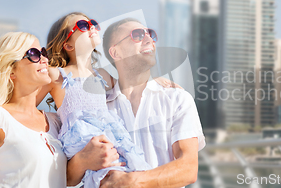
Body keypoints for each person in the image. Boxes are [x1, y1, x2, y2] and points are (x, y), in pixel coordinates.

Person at [73, 18, 206, 187]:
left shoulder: (177, 99)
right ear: (115, 53)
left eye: (150, 34)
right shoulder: (97, 109)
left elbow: (188, 168)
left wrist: (130, 182)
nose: (149, 39)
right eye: (137, 35)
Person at [0, 32, 67, 188]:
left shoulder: (56, 122)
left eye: (44, 53)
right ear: (11, 70)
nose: (45, 59)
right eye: (34, 54)